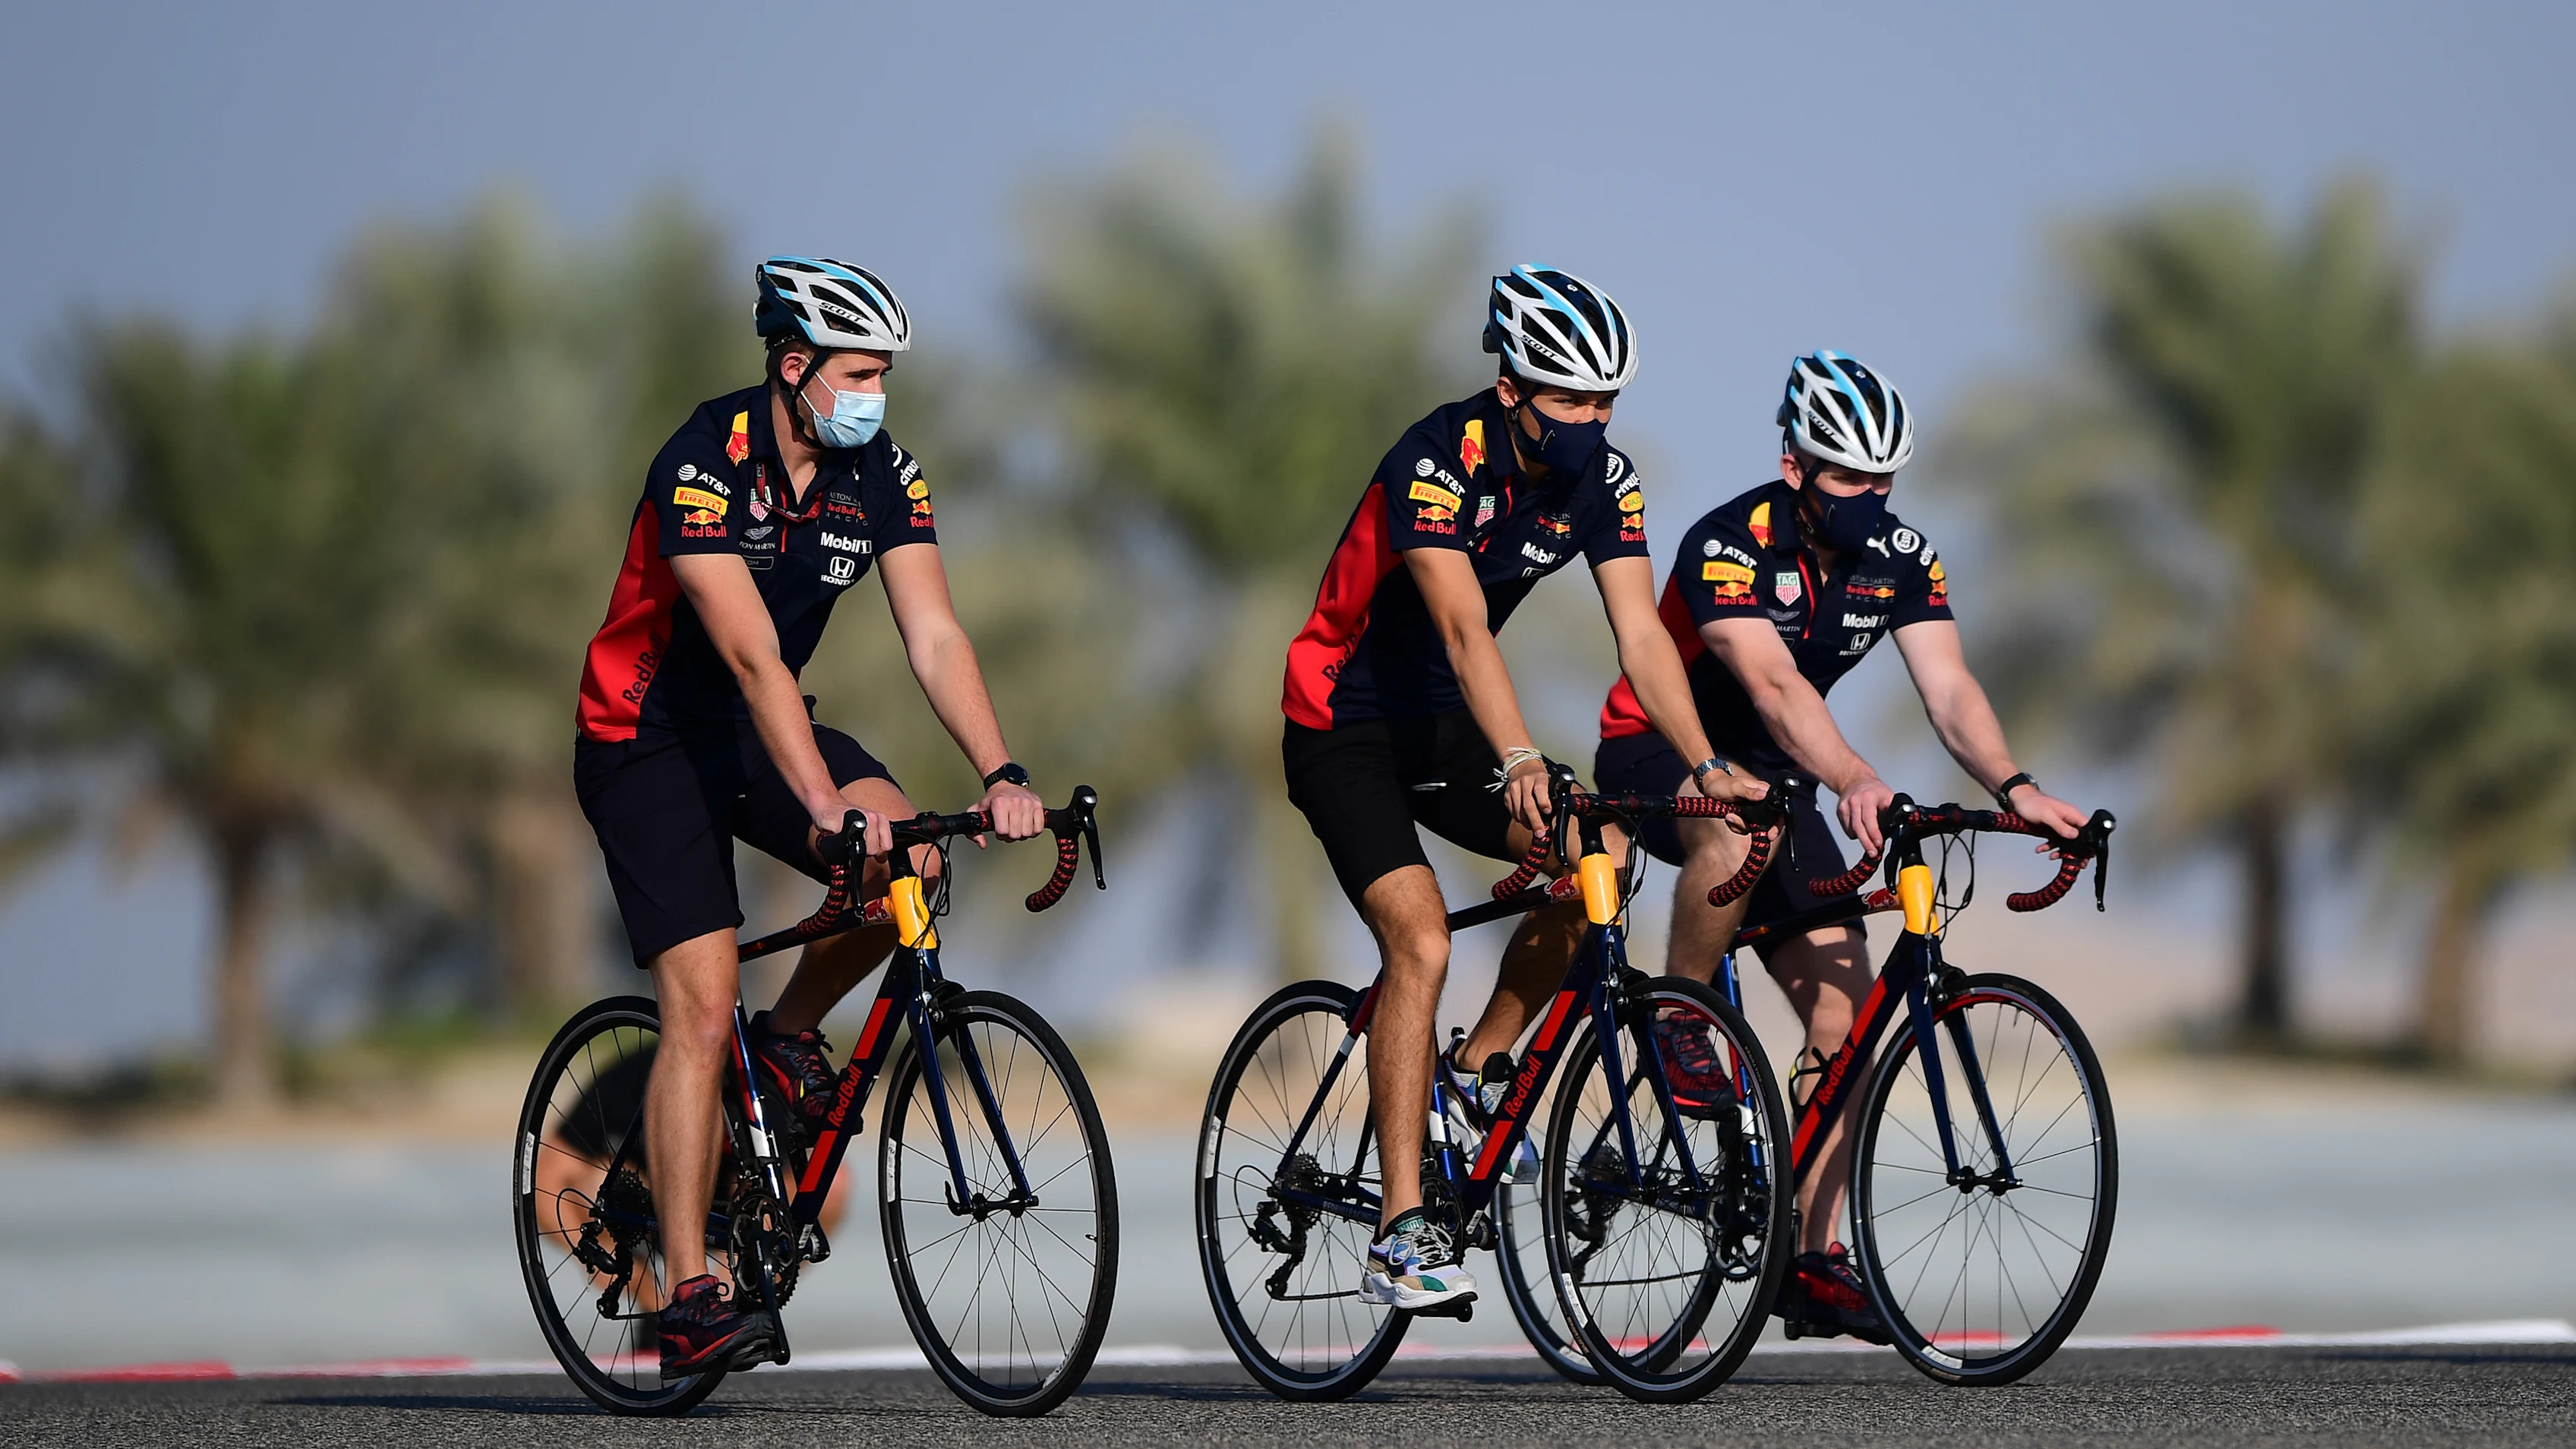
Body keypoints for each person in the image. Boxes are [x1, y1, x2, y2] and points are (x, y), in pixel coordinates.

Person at [572, 257, 1046, 1378]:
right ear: (793, 369)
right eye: (858, 370)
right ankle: (689, 1290)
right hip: (647, 739)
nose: (876, 392)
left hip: (755, 729)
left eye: (884, 371)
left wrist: (1000, 768)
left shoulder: (878, 471)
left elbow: (932, 633)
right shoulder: (702, 462)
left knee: (913, 872)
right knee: (697, 1005)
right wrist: (824, 808)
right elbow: (748, 656)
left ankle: (785, 1042)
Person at [1280, 266, 1765, 1313]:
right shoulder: (1434, 460)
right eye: (1571, 401)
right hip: (1345, 721)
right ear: (1513, 391)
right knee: (1421, 939)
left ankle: (1478, 1071)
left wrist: (1707, 763)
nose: (1593, 422)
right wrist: (1520, 757)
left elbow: (1641, 635)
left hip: (1449, 722)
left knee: (1602, 861)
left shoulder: (1604, 479)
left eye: (1607, 403)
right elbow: (1462, 629)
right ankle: (1402, 1231)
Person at [1593, 349, 2091, 1340]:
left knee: (1847, 1018)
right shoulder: (1729, 543)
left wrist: (2016, 786)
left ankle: (1810, 1257)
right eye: (1847, 476)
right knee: (1736, 829)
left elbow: (1948, 688)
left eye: (1883, 478)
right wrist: (1857, 778)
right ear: (1795, 464)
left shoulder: (1902, 556)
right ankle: (1679, 1019)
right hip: (1661, 752)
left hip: (1785, 777)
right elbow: (1774, 688)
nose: (1869, 496)